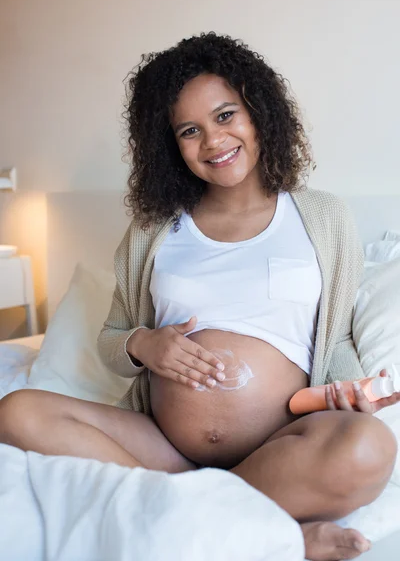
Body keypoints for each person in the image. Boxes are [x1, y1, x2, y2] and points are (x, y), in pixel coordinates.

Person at [0, 33, 398, 561]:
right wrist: (146, 345)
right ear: (172, 146)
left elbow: (338, 336)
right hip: (164, 448)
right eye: (190, 131)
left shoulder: (322, 217)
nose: (213, 140)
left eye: (226, 115)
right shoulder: (154, 231)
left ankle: (185, 509)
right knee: (18, 410)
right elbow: (113, 341)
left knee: (370, 447)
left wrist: (349, 394)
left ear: (258, 113)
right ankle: (265, 526)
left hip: (280, 444)